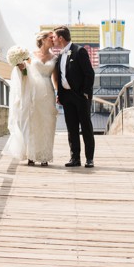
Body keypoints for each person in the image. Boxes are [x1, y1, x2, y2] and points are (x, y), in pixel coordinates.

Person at [4, 31, 58, 166]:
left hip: (48, 93)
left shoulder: (55, 58)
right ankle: (32, 155)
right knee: (33, 123)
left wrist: (60, 95)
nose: (53, 39)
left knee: (47, 123)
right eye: (51, 37)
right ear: (43, 39)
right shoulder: (30, 56)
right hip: (32, 93)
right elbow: (25, 74)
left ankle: (45, 155)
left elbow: (55, 79)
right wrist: (21, 68)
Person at [52, 26, 96, 168]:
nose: (53, 39)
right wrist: (60, 94)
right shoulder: (60, 55)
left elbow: (89, 74)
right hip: (67, 97)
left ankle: (89, 159)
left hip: (80, 96)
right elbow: (60, 77)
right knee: (71, 128)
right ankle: (75, 158)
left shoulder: (79, 51)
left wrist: (85, 92)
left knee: (86, 127)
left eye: (54, 37)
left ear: (61, 38)